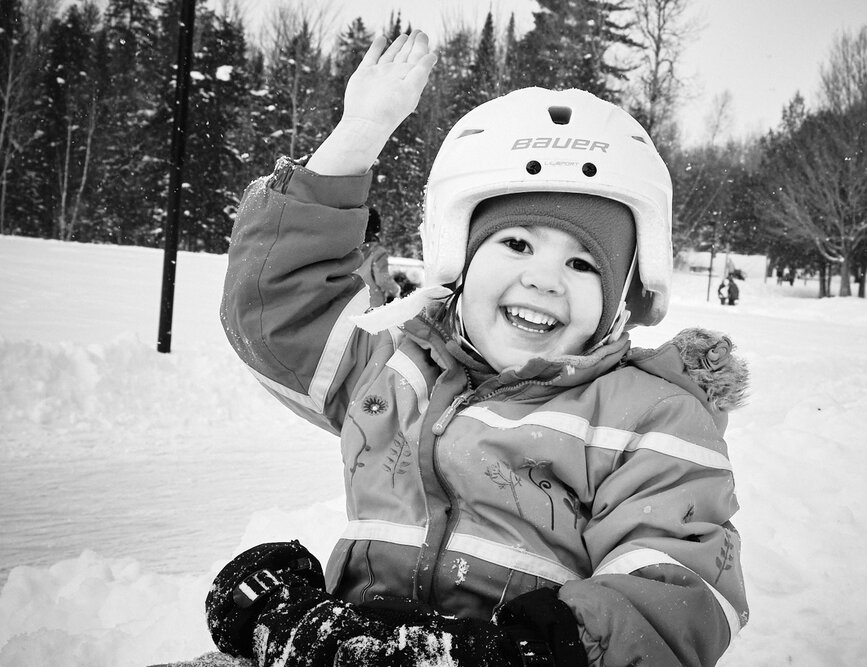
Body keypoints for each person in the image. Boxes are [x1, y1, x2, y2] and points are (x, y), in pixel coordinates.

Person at [209, 31, 750, 667]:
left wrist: (525, 652)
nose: (544, 279)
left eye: (582, 263)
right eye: (516, 244)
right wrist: (357, 136)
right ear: (459, 260)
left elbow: (678, 592)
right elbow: (273, 312)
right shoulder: (396, 369)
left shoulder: (649, 418)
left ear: (620, 297)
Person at [357, 207, 402, 307]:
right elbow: (383, 280)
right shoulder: (377, 252)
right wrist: (396, 290)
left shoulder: (348, 251)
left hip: (350, 309)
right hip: (372, 307)